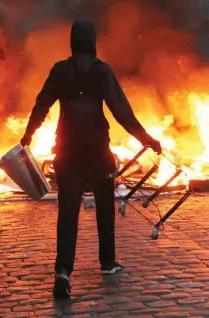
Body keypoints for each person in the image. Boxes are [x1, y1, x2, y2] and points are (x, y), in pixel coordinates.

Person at [20, 21, 162, 299]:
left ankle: (63, 271)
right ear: (93, 41)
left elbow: (41, 104)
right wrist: (146, 138)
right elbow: (121, 110)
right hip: (98, 148)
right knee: (105, 205)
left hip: (68, 149)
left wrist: (28, 135)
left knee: (68, 211)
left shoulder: (60, 71)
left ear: (71, 42)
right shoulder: (101, 71)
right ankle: (107, 262)